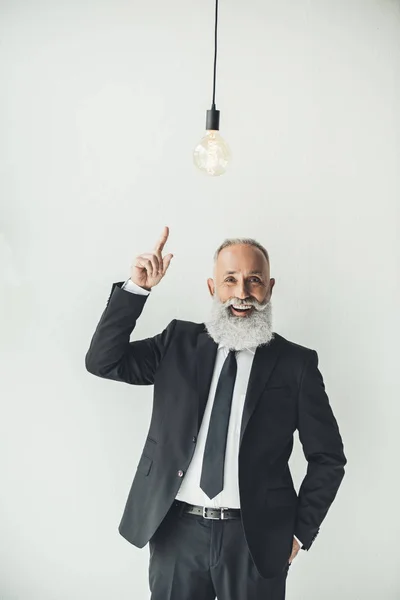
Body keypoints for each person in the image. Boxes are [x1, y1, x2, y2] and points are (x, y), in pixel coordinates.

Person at [85, 226, 347, 600]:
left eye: (254, 280)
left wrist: (300, 533)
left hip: (255, 540)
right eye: (230, 280)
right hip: (176, 532)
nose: (242, 294)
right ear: (213, 288)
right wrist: (137, 288)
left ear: (269, 289)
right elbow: (103, 362)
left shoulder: (296, 364)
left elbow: (328, 458)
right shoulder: (176, 343)